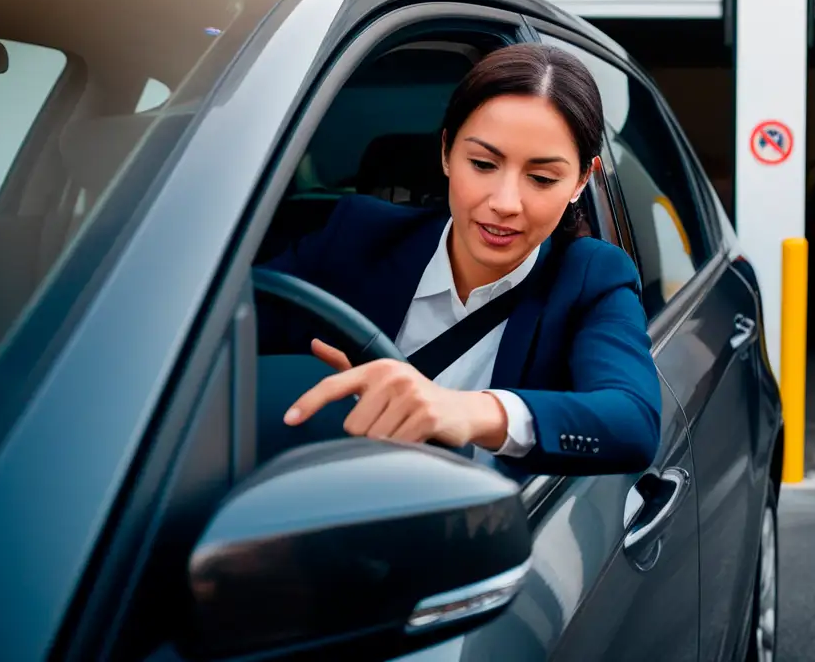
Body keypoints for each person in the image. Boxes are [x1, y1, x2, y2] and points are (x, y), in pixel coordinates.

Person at [255, 42, 660, 479]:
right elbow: (211, 328)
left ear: (582, 180)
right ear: (447, 152)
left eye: (541, 178)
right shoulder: (356, 234)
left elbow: (632, 421)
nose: (505, 203)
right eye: (483, 164)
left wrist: (467, 412)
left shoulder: (591, 276)